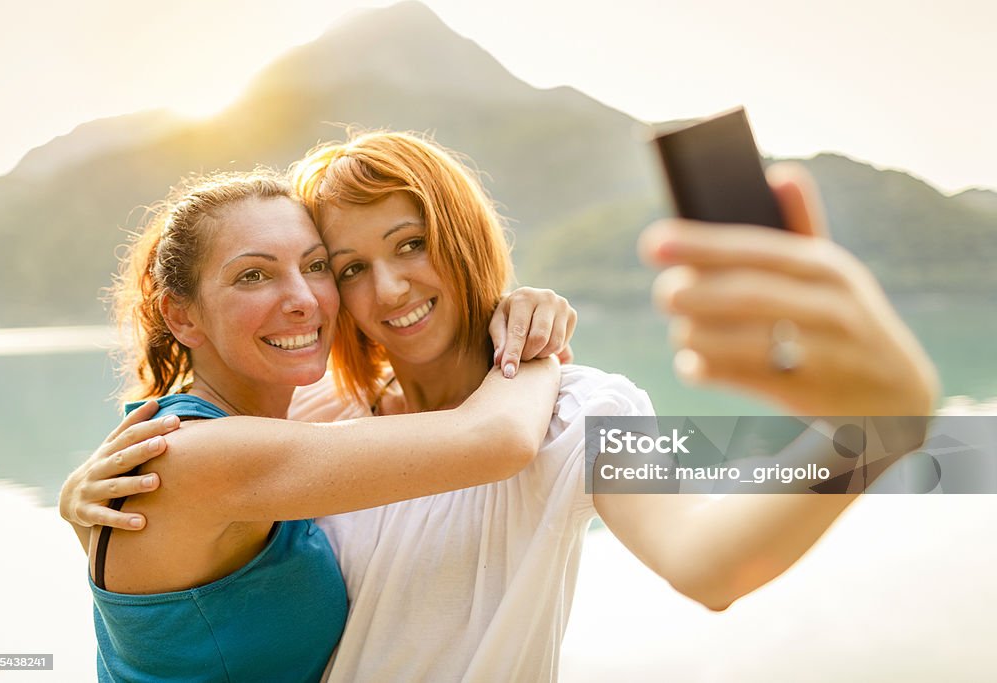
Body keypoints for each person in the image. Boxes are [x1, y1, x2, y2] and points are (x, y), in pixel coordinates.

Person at [64, 132, 938, 682]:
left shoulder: (587, 406)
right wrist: (84, 496)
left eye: (412, 244)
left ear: (465, 241)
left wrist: (874, 431)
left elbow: (709, 562)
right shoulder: (324, 413)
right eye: (353, 265)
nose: (389, 287)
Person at [76, 169, 573, 682]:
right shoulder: (195, 454)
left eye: (317, 267)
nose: (305, 300)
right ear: (181, 317)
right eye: (254, 275)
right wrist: (536, 350)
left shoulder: (309, 413)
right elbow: (496, 440)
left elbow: (666, 536)